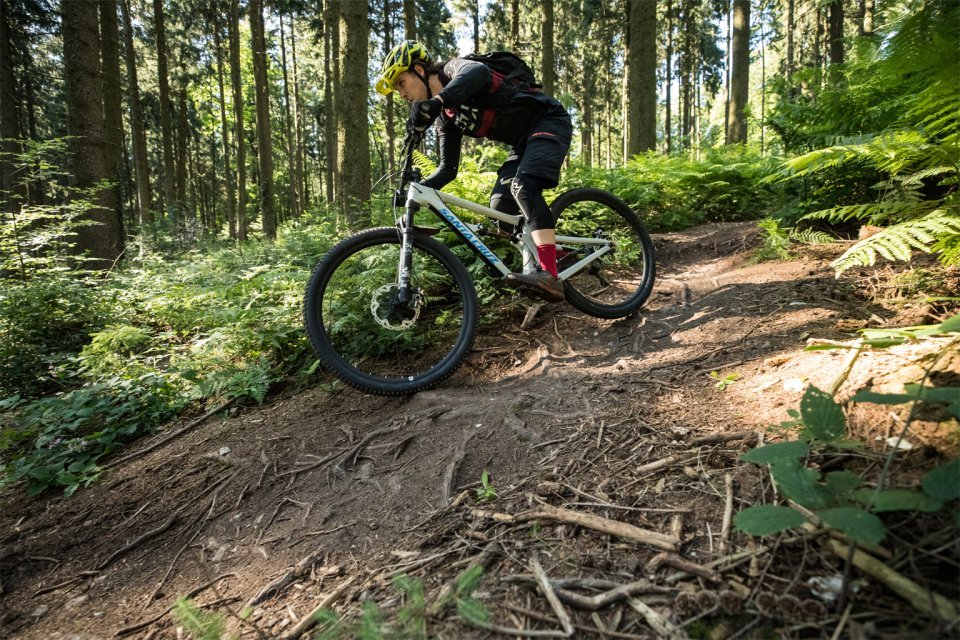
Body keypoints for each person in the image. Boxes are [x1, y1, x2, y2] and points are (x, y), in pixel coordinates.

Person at [375, 40, 573, 302]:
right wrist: (418, 191)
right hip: (523, 142)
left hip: (548, 120)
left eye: (401, 83)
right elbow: (448, 169)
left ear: (420, 70)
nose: (401, 94)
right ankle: (560, 254)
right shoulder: (447, 117)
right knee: (501, 208)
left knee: (523, 186)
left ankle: (549, 274)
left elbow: (478, 73)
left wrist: (438, 101)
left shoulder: (452, 70)